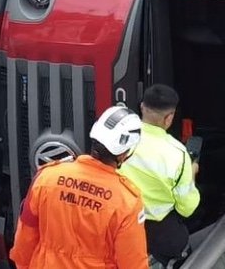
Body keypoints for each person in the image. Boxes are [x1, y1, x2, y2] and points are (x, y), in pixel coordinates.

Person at [10, 105, 149, 269]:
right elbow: (133, 263)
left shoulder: (46, 177)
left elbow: (25, 237)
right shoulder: (127, 201)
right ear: (124, 153)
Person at [120, 85, 200, 266]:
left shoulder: (120, 139)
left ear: (141, 107)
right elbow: (186, 209)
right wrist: (192, 173)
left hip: (119, 221)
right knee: (182, 250)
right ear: (169, 118)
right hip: (155, 231)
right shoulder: (178, 154)